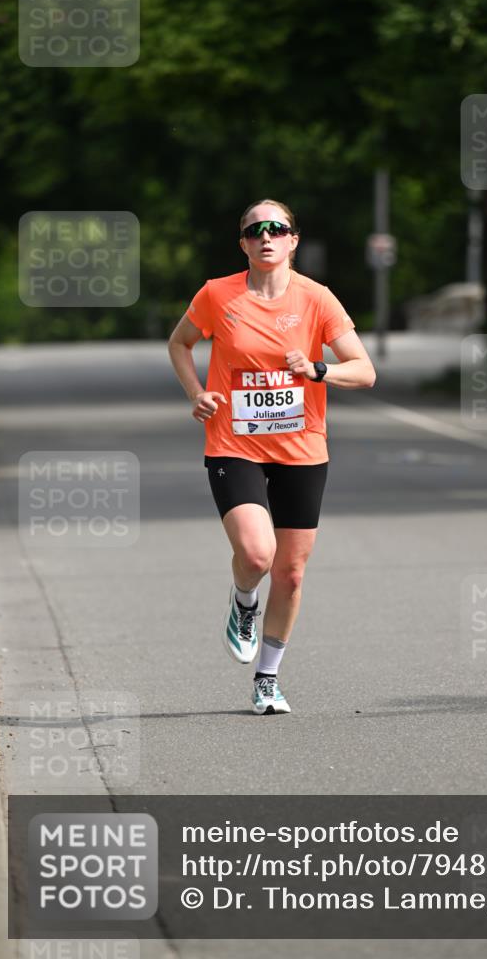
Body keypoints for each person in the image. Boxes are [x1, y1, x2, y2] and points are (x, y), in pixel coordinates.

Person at [168, 199, 376, 715]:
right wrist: (196, 393)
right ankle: (243, 601)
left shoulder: (316, 299)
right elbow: (180, 343)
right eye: (255, 230)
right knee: (259, 556)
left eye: (277, 229)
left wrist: (318, 370)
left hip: (302, 448)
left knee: (291, 572)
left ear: (293, 240)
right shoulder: (218, 295)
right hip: (233, 443)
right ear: (243, 243)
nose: (266, 236)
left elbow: (364, 370)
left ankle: (267, 679)